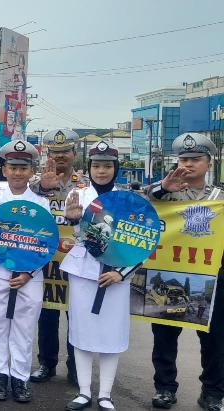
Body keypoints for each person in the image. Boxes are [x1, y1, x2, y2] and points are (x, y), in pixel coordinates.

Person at [146, 132, 224, 411]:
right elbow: (141, 205)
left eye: (195, 159)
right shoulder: (163, 193)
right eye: (183, 159)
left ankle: (213, 392)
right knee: (165, 336)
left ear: (208, 162)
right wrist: (164, 187)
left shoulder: (219, 198)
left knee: (214, 339)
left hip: (209, 277)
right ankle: (165, 388)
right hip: (171, 275)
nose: (188, 164)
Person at [62, 141, 138, 411]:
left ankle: (105, 394)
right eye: (96, 165)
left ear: (116, 168)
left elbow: (141, 241)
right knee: (82, 332)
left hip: (115, 275)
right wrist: (72, 220)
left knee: (111, 335)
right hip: (83, 271)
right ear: (89, 168)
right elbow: (75, 232)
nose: (102, 171)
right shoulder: (78, 195)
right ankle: (83, 392)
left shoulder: (129, 200)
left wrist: (121, 273)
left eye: (107, 166)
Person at [0, 140, 49, 403]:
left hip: (30, 275)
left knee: (25, 329)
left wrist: (28, 272)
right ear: (4, 169)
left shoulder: (41, 202)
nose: (17, 173)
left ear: (31, 171)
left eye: (23, 168)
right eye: (13, 167)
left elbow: (45, 242)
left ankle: (20, 378)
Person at [29, 128, 87, 384]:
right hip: (44, 261)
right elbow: (23, 208)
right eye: (55, 152)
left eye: (65, 151)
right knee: (47, 316)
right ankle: (46, 364)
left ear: (75, 154)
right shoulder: (36, 184)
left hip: (78, 263)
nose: (60, 156)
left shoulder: (86, 184)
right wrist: (42, 187)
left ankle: (76, 368)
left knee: (76, 318)